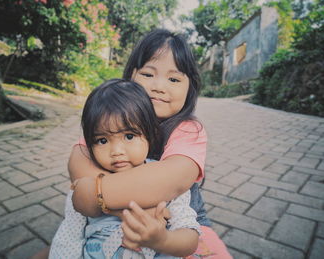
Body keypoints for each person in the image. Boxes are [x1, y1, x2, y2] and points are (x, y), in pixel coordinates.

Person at [70, 29, 232, 258]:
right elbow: (80, 157)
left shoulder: (188, 130)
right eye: (148, 74)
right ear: (131, 76)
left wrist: (95, 192)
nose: (159, 86)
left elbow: (170, 179)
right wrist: (120, 209)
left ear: (190, 88)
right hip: (110, 222)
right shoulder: (112, 117)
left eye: (173, 79)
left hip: (179, 223)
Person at [50, 79, 201, 258]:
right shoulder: (87, 183)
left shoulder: (164, 182)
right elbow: (68, 239)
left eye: (129, 136)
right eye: (102, 140)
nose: (116, 151)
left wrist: (163, 240)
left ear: (150, 134)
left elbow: (190, 237)